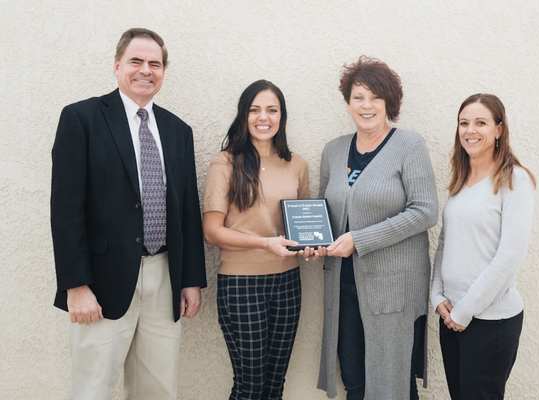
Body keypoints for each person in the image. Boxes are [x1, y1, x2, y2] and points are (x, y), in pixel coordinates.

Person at [50, 28, 206, 400]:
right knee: (93, 388)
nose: (145, 70)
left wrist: (190, 279)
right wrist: (76, 285)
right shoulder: (81, 119)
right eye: (136, 61)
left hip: (164, 275)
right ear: (118, 65)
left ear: (164, 71)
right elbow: (66, 208)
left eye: (155, 63)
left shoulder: (177, 130)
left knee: (157, 389)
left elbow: (187, 210)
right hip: (101, 283)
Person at [317, 56, 439, 400]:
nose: (366, 105)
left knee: (391, 384)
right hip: (343, 287)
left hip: (392, 289)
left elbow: (426, 211)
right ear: (348, 102)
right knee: (354, 380)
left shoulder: (409, 146)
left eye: (375, 97)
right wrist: (311, 241)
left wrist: (360, 239)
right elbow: (323, 210)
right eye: (358, 97)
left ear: (390, 102)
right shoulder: (334, 150)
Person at [202, 80, 311, 400]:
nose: (264, 117)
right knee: (249, 386)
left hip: (288, 282)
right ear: (243, 115)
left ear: (282, 117)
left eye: (272, 110)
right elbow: (211, 231)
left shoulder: (297, 164)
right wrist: (265, 243)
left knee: (275, 385)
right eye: (255, 110)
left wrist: (312, 247)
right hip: (241, 284)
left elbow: (301, 226)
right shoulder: (225, 163)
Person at [430, 93, 536, 399]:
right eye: (464, 123)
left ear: (499, 129)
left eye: (481, 123)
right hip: (451, 317)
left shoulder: (515, 180)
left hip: (490, 322)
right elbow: (444, 244)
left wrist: (465, 310)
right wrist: (437, 296)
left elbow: (510, 256)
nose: (470, 130)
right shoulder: (461, 181)